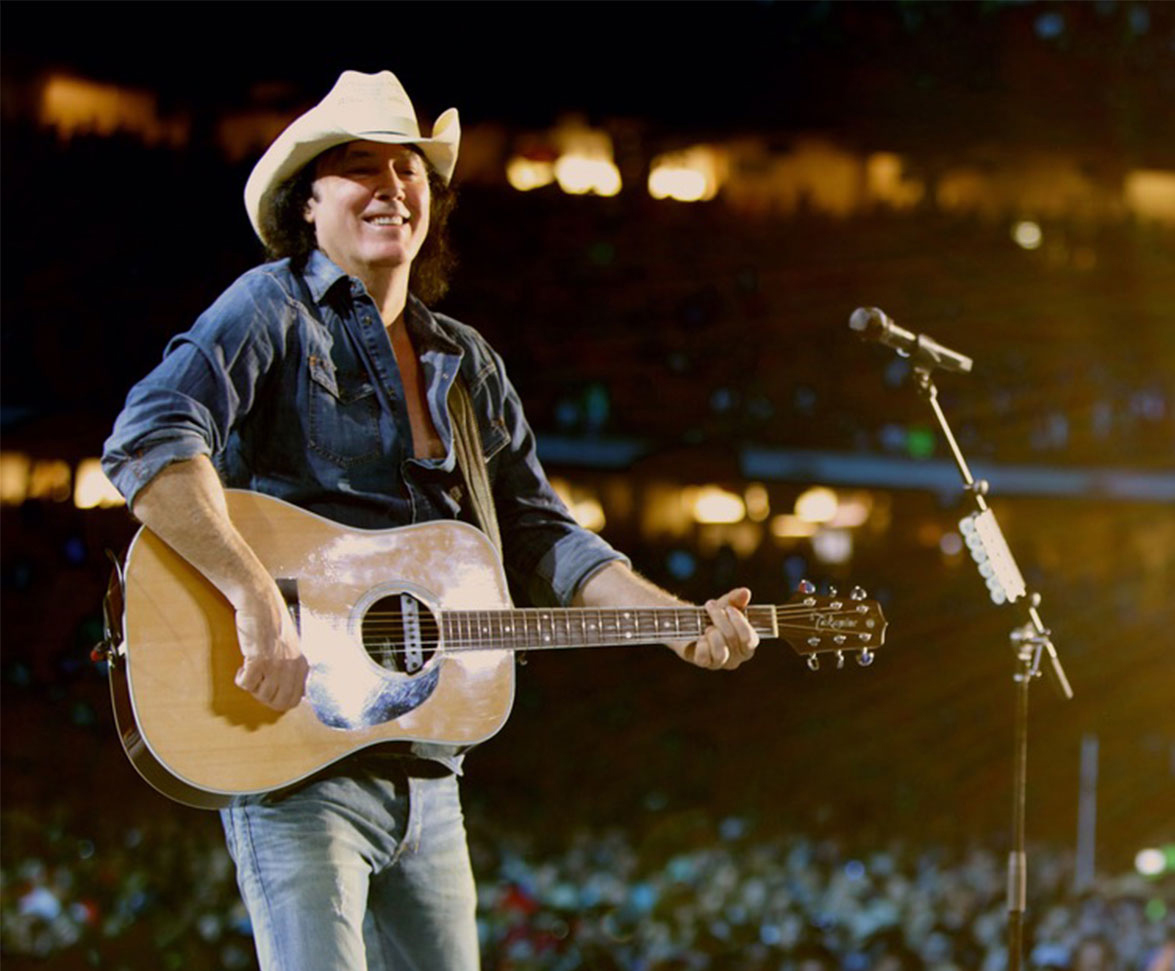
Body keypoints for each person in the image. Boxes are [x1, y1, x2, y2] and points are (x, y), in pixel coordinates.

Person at [101, 70, 762, 970]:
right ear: (309, 205)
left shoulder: (467, 363)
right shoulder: (272, 309)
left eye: (408, 168)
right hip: (297, 763)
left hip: (429, 772)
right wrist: (255, 597)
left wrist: (676, 620)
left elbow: (538, 531)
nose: (391, 186)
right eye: (359, 166)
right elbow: (148, 439)